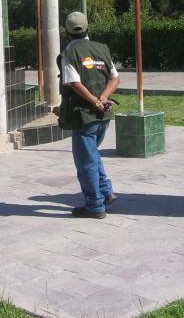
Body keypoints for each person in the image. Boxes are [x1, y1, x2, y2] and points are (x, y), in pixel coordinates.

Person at [60, 11, 120, 219]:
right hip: (104, 115)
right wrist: (102, 98)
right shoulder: (102, 49)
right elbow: (115, 79)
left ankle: (94, 206)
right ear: (87, 28)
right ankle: (106, 192)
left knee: (86, 162)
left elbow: (75, 83)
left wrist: (94, 101)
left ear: (67, 31)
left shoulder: (69, 52)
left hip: (83, 116)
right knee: (92, 154)